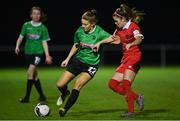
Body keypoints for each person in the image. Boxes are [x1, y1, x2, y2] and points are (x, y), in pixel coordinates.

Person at [56, 9, 111, 117]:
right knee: (60, 84)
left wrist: (100, 42)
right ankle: (64, 93)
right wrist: (67, 59)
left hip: (91, 65)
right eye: (82, 23)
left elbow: (116, 39)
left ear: (92, 24)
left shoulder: (100, 32)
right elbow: (76, 44)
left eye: (85, 24)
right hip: (78, 61)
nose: (83, 26)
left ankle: (64, 109)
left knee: (77, 85)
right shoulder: (79, 31)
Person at [93, 4, 145, 117]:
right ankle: (137, 97)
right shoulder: (118, 29)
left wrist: (131, 43)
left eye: (117, 21)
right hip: (125, 59)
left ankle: (130, 111)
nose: (115, 23)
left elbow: (139, 39)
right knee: (112, 84)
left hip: (135, 57)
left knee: (126, 84)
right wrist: (99, 43)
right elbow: (113, 39)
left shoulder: (133, 26)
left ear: (123, 18)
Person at [15, 6, 52, 103]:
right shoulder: (26, 25)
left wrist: (47, 55)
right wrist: (17, 46)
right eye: (34, 13)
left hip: (38, 54)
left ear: (40, 15)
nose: (36, 15)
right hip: (28, 53)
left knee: (30, 73)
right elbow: (20, 37)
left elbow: (44, 42)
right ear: (31, 15)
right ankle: (42, 96)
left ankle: (26, 97)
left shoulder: (43, 28)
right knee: (34, 76)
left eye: (38, 13)